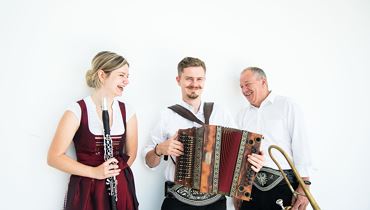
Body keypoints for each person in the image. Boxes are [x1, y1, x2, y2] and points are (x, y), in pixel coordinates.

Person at [144, 57, 264, 210]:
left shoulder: (221, 112)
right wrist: (159, 150)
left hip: (215, 203)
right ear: (178, 80)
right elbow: (149, 162)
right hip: (178, 202)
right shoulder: (167, 115)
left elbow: (241, 153)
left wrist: (255, 161)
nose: (195, 84)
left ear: (204, 80)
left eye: (199, 79)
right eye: (189, 79)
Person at [47, 51, 139, 210]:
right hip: (87, 190)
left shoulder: (128, 111)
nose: (126, 81)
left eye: (127, 76)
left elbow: (131, 154)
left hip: (120, 187)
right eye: (121, 75)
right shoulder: (76, 111)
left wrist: (114, 174)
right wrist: (96, 173)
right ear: (102, 75)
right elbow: (54, 157)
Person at [235, 67, 313, 210]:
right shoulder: (242, 115)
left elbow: (301, 147)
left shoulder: (287, 106)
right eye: (241, 86)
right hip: (250, 188)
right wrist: (237, 192)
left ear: (263, 82)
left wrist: (304, 187)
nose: (244, 90)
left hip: (284, 186)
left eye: (247, 84)